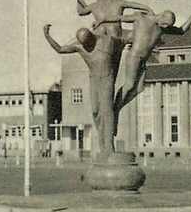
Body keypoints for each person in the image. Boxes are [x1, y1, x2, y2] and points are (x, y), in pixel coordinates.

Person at [96, 6, 191, 113]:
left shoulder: (162, 27)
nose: (165, 27)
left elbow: (181, 31)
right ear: (161, 15)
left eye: (167, 26)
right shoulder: (141, 18)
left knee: (139, 88)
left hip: (143, 60)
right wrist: (101, 21)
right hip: (134, 56)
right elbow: (119, 18)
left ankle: (117, 108)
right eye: (165, 23)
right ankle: (113, 109)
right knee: (129, 85)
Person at [44, 23, 128, 158]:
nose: (86, 46)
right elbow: (60, 49)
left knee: (107, 110)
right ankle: (103, 143)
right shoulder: (80, 47)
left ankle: (109, 145)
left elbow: (123, 40)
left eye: (88, 43)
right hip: (94, 79)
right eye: (83, 44)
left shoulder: (107, 41)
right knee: (95, 111)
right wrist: (47, 36)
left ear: (93, 37)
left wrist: (127, 45)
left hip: (107, 78)